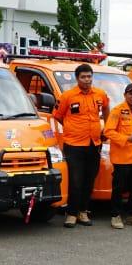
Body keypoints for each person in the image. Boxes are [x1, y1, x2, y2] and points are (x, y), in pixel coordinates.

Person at [53, 63, 109, 227]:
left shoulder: (100, 94)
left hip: (94, 143)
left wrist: (106, 127)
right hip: (74, 143)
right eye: (83, 77)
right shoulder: (67, 96)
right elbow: (57, 115)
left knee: (89, 179)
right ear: (77, 79)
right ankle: (71, 214)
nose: (87, 80)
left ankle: (83, 212)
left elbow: (106, 110)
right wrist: (70, 126)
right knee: (76, 181)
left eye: (89, 76)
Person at [103, 82, 132, 230]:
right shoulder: (117, 110)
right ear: (125, 95)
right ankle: (115, 215)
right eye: (131, 94)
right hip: (121, 157)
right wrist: (125, 139)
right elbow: (108, 131)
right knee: (119, 188)